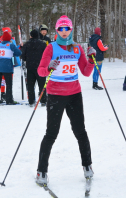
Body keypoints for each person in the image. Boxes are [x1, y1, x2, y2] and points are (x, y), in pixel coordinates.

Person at [35, 15, 96, 186]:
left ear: (71, 29)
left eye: (66, 28)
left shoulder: (76, 48)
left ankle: (87, 166)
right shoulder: (51, 48)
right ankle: (41, 171)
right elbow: (40, 71)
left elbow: (85, 71)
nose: (63, 31)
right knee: (51, 134)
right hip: (55, 95)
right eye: (60, 28)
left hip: (74, 95)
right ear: (57, 30)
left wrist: (91, 59)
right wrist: (48, 68)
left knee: (80, 132)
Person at [0, 30, 22, 105]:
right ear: (9, 38)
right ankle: (9, 100)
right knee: (9, 84)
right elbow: (19, 53)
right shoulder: (10, 45)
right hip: (7, 67)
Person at [21, 29, 47, 107]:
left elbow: (23, 56)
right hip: (40, 67)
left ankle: (31, 101)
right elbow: (46, 55)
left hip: (30, 67)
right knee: (42, 84)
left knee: (30, 85)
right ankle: (43, 100)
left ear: (31, 36)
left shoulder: (26, 44)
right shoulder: (42, 44)